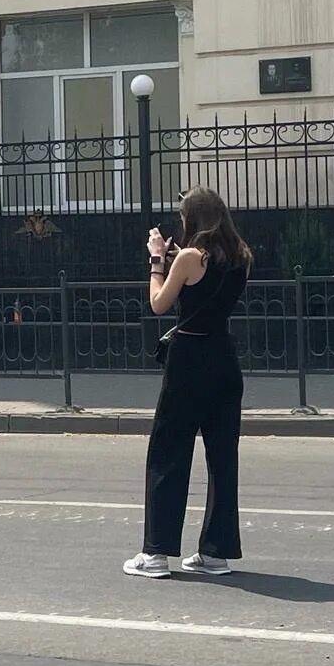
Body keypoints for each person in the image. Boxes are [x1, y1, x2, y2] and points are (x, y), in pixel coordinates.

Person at [128, 188, 251, 579]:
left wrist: (156, 260)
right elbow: (207, 290)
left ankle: (156, 553)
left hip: (188, 361)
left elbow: (159, 304)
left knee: (169, 451)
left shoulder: (187, 258)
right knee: (222, 458)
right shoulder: (240, 256)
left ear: (192, 218)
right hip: (224, 359)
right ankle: (216, 552)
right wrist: (178, 256)